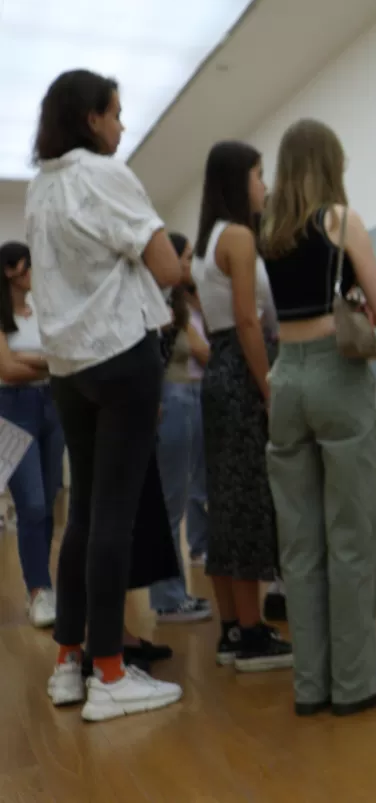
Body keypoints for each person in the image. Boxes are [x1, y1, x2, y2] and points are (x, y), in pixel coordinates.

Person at [29, 69, 184, 721]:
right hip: (120, 355)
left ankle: (70, 662)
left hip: (67, 367)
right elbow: (169, 267)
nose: (122, 124)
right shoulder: (105, 175)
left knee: (84, 513)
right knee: (114, 514)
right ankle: (113, 674)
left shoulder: (40, 189)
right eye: (116, 113)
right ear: (91, 119)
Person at [260, 118, 376, 716]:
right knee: (354, 535)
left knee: (300, 542)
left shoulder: (269, 232)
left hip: (285, 377)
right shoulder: (340, 220)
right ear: (330, 162)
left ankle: (309, 687)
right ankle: (355, 683)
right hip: (337, 377)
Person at [193, 140, 293, 673]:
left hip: (219, 371)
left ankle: (233, 627)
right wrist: (269, 388)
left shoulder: (208, 240)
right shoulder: (238, 236)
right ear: (239, 180)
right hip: (243, 368)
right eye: (258, 174)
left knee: (226, 502)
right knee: (250, 500)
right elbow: (248, 320)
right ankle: (253, 633)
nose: (265, 185)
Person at [147, 232, 212, 623]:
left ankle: (172, 594)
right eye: (185, 258)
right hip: (171, 399)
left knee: (174, 500)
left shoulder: (175, 302)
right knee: (170, 504)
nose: (188, 266)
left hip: (182, 398)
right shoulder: (158, 305)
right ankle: (168, 599)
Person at [0, 241, 63, 628]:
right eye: (28, 265)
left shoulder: (42, 310)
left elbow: (60, 352)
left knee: (51, 497)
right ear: (11, 270)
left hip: (53, 406)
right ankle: (38, 589)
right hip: (12, 407)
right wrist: (48, 364)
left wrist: (30, 361)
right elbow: (6, 369)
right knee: (33, 504)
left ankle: (46, 587)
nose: (33, 272)